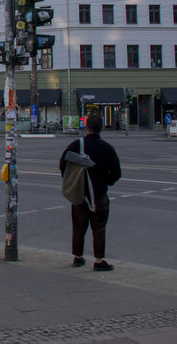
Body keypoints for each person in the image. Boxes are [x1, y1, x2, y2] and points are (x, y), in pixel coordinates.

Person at [59, 114, 122, 271]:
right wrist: (106, 181)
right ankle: (99, 260)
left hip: (80, 193)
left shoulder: (76, 145)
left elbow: (63, 164)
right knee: (99, 228)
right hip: (99, 194)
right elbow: (116, 173)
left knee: (79, 226)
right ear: (101, 128)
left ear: (86, 127)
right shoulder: (108, 148)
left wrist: (72, 180)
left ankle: (78, 257)